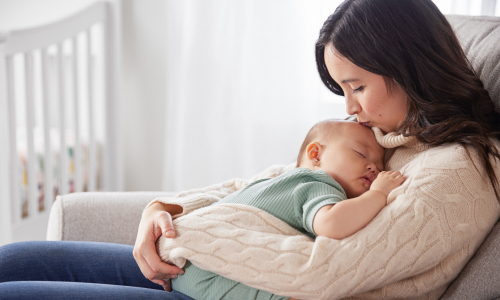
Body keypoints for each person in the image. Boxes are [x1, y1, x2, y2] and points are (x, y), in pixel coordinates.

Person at [1, 0, 499, 299]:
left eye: (356, 86)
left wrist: (187, 239)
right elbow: (276, 184)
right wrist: (169, 210)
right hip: (217, 276)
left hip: (244, 292)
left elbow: (325, 272)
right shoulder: (394, 138)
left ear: (408, 65)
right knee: (16, 261)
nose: (349, 108)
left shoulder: (453, 175)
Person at [169, 119, 404, 300]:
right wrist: (379, 194)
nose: (373, 167)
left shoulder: (277, 179)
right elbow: (332, 224)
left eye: (380, 164)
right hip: (214, 273)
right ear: (316, 154)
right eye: (361, 153)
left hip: (185, 263)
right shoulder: (317, 183)